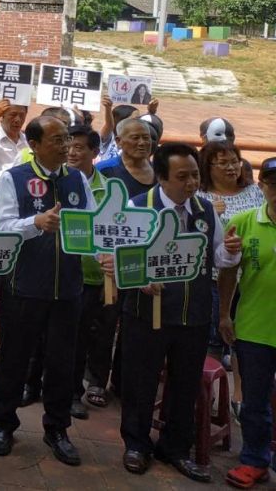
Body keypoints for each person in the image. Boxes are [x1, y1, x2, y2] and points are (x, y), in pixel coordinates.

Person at [118, 142, 241, 482]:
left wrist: (231, 251)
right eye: (182, 176)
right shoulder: (139, 207)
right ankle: (136, 444)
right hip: (148, 314)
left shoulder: (204, 209)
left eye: (195, 175)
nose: (190, 183)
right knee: (141, 381)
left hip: (194, 314)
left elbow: (219, 258)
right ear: (161, 178)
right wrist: (140, 277)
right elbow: (121, 255)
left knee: (185, 385)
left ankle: (174, 448)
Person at [0, 116, 90, 465]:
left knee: (62, 362)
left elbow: (90, 226)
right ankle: (3, 423)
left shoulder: (77, 179)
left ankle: (57, 429)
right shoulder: (13, 179)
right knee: (14, 359)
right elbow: (2, 227)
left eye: (67, 139)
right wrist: (36, 222)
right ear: (34, 145)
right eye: (57, 140)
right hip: (24, 286)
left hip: (69, 290)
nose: (66, 146)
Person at [218, 157, 276, 489]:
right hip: (254, 327)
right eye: (273, 183)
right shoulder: (243, 222)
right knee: (255, 401)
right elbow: (227, 272)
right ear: (262, 186)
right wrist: (225, 313)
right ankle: (254, 460)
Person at [198, 140, 264, 370]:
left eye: (234, 161)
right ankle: (211, 395)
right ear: (208, 167)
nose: (231, 167)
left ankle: (237, 396)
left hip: (251, 278)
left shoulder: (255, 192)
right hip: (216, 279)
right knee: (216, 335)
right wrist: (207, 214)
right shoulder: (200, 197)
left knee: (242, 338)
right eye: (223, 162)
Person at [65, 124, 116, 417]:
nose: (72, 151)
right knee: (69, 336)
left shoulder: (109, 189)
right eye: (68, 145)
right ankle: (62, 390)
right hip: (69, 275)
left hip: (101, 275)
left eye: (79, 147)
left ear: (95, 152)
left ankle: (87, 388)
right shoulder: (61, 183)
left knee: (95, 334)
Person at [100, 117, 155, 197]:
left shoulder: (161, 171)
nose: (142, 143)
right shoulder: (104, 170)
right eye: (135, 138)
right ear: (119, 141)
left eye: (146, 138)